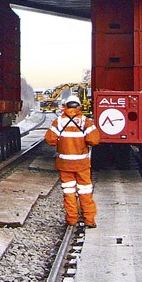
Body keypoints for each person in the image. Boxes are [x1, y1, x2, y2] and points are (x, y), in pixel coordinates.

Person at [45, 94, 100, 227]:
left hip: (65, 164)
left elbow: (50, 140)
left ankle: (71, 219)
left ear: (65, 106)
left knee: (69, 191)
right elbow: (94, 140)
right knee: (85, 191)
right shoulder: (86, 121)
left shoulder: (58, 121)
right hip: (82, 164)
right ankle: (89, 220)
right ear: (79, 106)